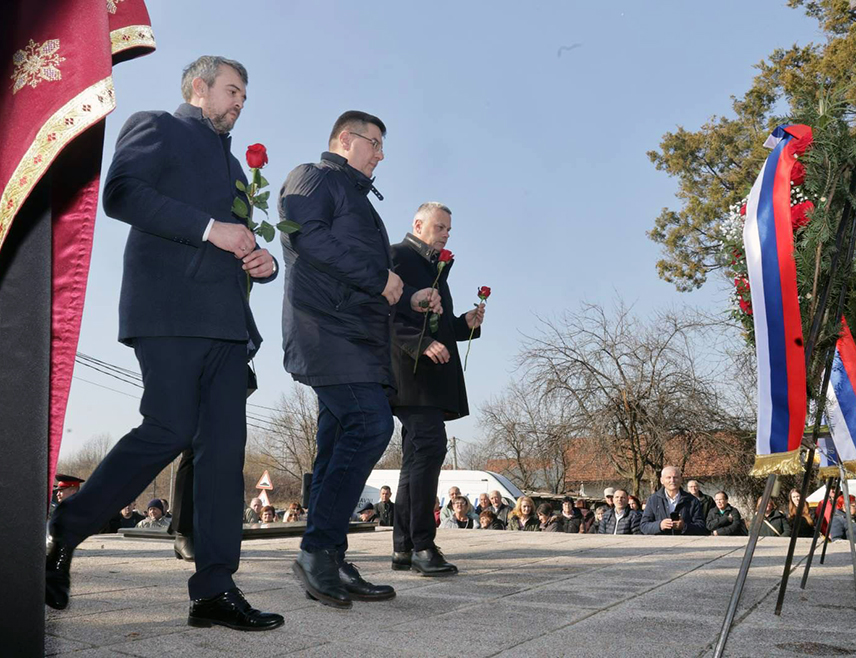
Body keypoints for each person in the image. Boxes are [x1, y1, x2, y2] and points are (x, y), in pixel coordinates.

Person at [45, 55, 283, 632]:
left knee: (225, 457)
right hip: (170, 311)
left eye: (245, 96)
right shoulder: (157, 125)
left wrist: (261, 260)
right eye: (232, 91)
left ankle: (214, 589)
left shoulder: (233, 170)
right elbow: (121, 193)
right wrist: (212, 229)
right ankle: (68, 527)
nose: (240, 103)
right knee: (169, 430)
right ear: (198, 89)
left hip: (228, 326)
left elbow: (237, 246)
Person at [279, 110, 442, 609]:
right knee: (371, 425)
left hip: (357, 333)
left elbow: (370, 273)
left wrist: (407, 295)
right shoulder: (315, 177)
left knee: (335, 442)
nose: (381, 154)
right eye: (375, 143)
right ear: (346, 140)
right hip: (326, 329)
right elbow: (305, 236)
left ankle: (328, 553)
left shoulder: (356, 196)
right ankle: (315, 551)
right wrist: (379, 280)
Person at [388, 201, 486, 577]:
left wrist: (465, 324)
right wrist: (419, 344)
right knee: (429, 449)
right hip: (410, 373)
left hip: (431, 375)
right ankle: (423, 546)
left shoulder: (436, 268)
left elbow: (439, 328)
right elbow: (385, 314)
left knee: (416, 458)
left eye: (448, 229)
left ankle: (404, 547)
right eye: (440, 227)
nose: (446, 234)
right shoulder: (395, 256)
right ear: (417, 223)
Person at [640, 466, 706, 535]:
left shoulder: (692, 500)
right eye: (668, 477)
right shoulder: (653, 500)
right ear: (662, 480)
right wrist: (660, 525)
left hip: (684, 543)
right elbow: (644, 526)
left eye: (675, 477)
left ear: (681, 479)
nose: (672, 481)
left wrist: (684, 526)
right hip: (660, 543)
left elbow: (701, 527)